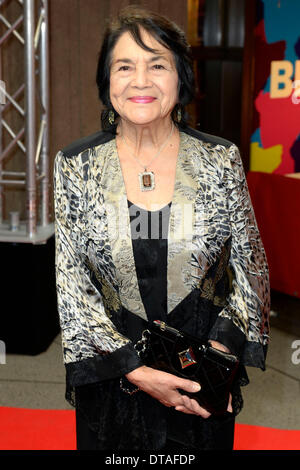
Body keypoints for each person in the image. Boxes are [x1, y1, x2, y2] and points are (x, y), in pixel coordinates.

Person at [53, 6, 270, 451]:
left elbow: (251, 269)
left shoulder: (219, 160)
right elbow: (71, 280)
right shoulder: (76, 165)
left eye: (158, 64)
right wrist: (136, 369)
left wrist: (219, 358)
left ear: (181, 78)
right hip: (114, 376)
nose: (141, 81)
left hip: (200, 380)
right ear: (106, 81)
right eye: (125, 66)